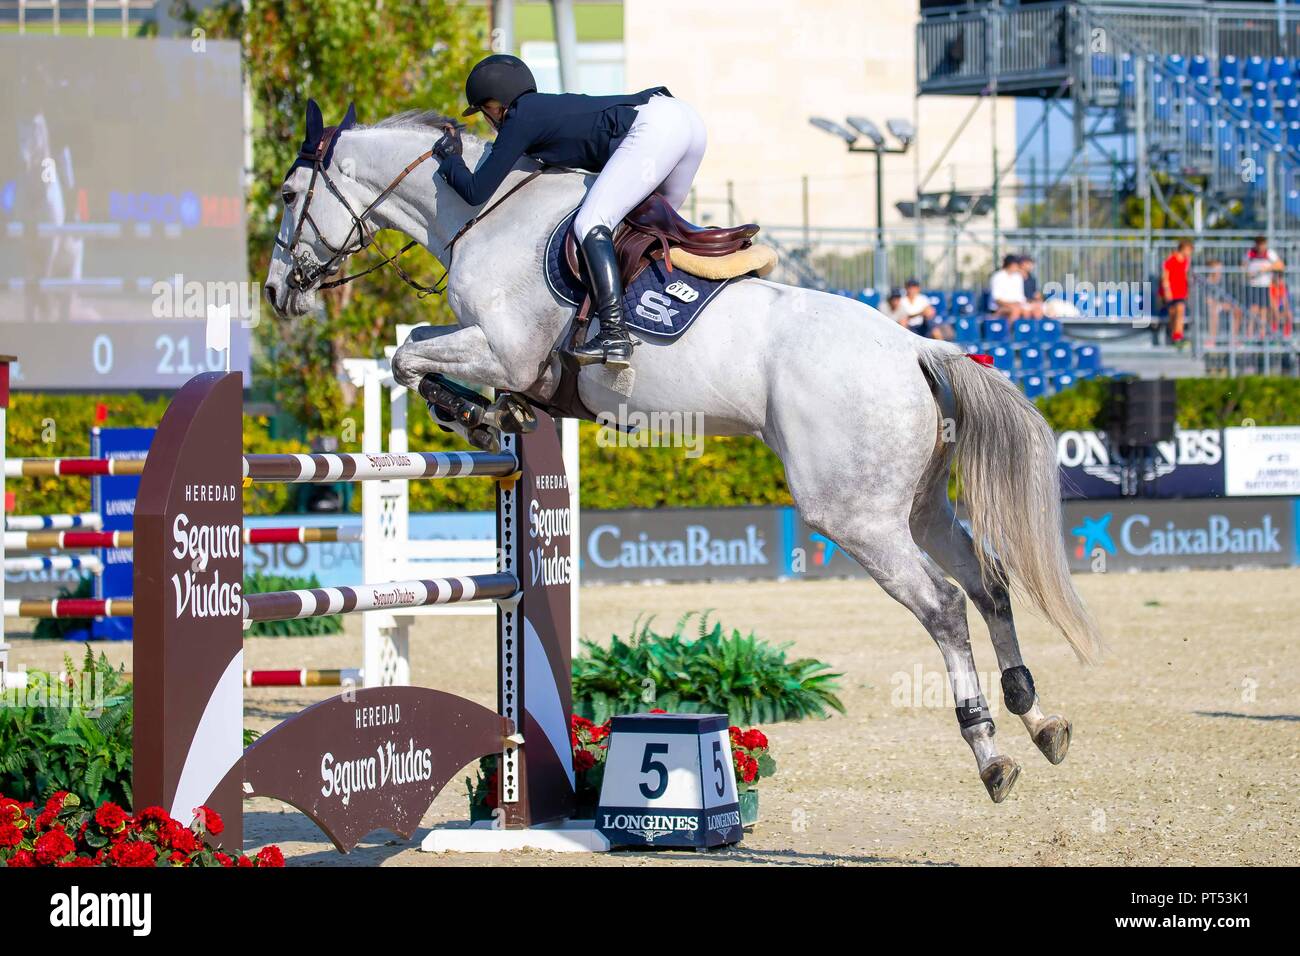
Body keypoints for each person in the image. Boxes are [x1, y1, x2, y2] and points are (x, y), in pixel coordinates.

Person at [432, 54, 706, 367]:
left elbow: (475, 191)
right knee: (648, 234)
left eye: (485, 111)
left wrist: (451, 159)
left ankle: (614, 334)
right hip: (686, 122)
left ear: (496, 104)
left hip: (656, 127)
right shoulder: (541, 112)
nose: (487, 119)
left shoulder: (521, 117)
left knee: (591, 223)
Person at [1245, 235, 1283, 340]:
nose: (1261, 246)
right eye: (1259, 244)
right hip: (1253, 284)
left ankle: (1263, 334)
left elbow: (1280, 265)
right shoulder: (1250, 253)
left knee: (1264, 310)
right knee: (1253, 309)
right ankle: (1250, 334)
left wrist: (1267, 269)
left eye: (1262, 244)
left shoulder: (1270, 253)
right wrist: (1248, 273)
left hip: (1265, 285)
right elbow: (1243, 266)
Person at [1160, 239, 1192, 346]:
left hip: (1181, 291)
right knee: (1173, 314)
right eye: (1188, 250)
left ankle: (1178, 337)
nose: (1189, 253)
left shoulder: (1186, 261)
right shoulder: (1171, 259)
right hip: (1171, 291)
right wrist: (1167, 290)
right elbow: (1165, 276)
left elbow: (1185, 275)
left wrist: (1188, 290)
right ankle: (1173, 335)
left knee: (1180, 310)